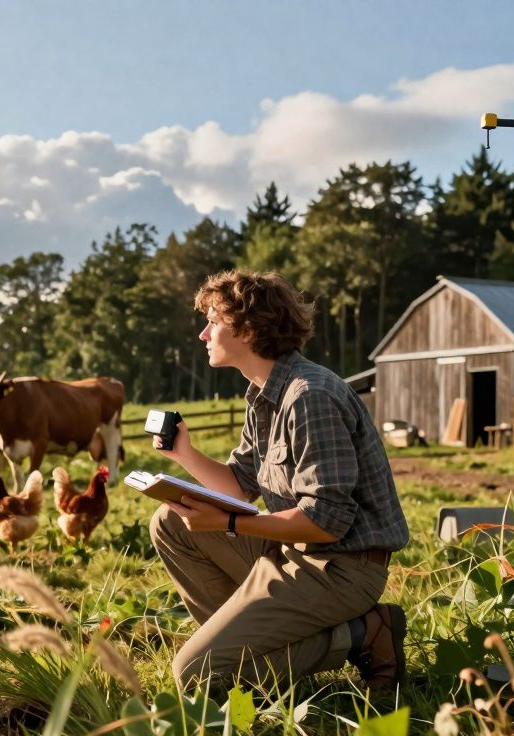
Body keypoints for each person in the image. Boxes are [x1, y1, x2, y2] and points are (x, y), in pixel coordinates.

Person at [151, 269, 409, 690]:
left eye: (213, 322)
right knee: (171, 522)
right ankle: (247, 646)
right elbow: (239, 484)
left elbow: (327, 522)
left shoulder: (310, 397)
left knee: (198, 678)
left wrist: (229, 523)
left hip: (342, 568)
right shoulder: (264, 394)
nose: (203, 334)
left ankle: (362, 634)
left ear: (248, 331)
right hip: (295, 553)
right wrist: (184, 454)